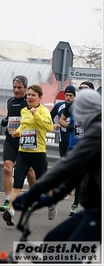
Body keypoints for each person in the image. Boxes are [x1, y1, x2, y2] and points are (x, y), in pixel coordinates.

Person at [13, 89, 101, 243]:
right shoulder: (95, 131)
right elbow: (75, 175)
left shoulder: (98, 133)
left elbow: (66, 166)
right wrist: (50, 199)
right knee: (53, 239)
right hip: (93, 208)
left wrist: (34, 193)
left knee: (69, 250)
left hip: (98, 211)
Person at [2, 85, 54, 226]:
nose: (29, 97)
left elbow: (49, 127)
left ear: (40, 97)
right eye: (28, 95)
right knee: (17, 184)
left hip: (38, 153)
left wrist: (36, 114)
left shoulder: (43, 111)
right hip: (23, 152)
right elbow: (24, 125)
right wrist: (17, 132)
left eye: (33, 95)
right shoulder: (24, 110)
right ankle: (11, 212)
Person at [0, 75, 36, 212]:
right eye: (14, 87)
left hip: (25, 140)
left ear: (25, 88)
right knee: (7, 168)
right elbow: (10, 117)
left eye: (19, 88)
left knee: (30, 171)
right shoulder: (10, 101)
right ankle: (8, 200)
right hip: (11, 140)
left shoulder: (30, 102)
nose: (16, 90)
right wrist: (6, 121)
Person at [58, 82, 94, 216]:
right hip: (73, 146)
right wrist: (68, 127)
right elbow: (61, 120)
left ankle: (75, 205)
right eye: (81, 89)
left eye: (86, 89)